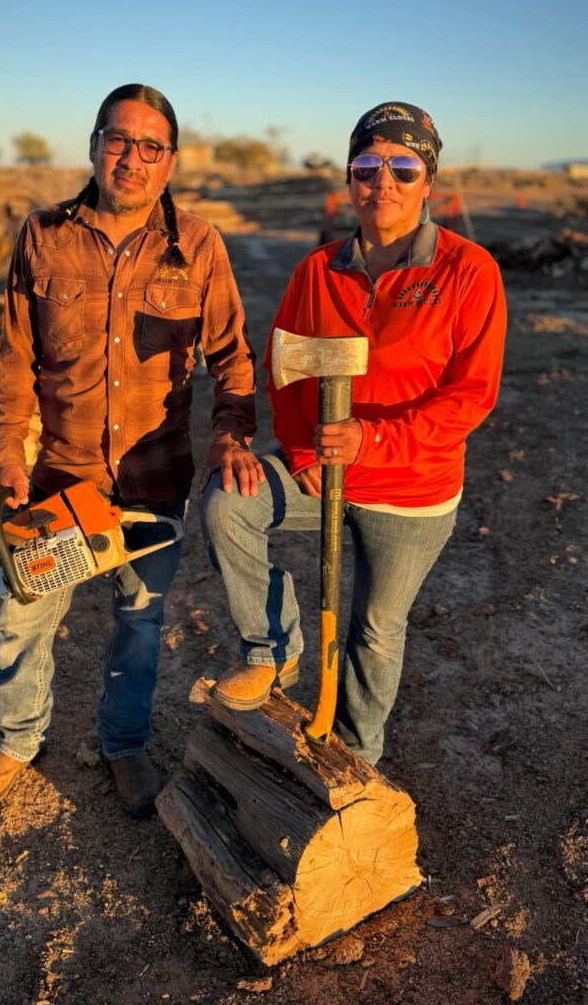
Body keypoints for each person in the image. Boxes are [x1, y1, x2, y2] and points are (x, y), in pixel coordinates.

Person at [0, 84, 264, 818]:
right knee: (25, 616)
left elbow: (234, 358)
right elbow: (15, 360)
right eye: (119, 140)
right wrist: (7, 454)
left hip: (155, 481)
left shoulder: (198, 246)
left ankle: (124, 742)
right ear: (94, 146)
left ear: (171, 161)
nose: (132, 158)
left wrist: (231, 433)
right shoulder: (44, 235)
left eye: (150, 146)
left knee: (141, 618)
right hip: (61, 476)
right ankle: (18, 738)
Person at [201, 102, 506, 766]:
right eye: (367, 166)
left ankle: (358, 757)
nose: (383, 182)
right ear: (349, 179)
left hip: (411, 491)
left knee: (373, 628)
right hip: (324, 476)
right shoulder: (318, 271)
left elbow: (473, 394)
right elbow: (282, 372)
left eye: (404, 166)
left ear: (429, 180)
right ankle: (272, 655)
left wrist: (374, 441)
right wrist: (305, 452)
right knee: (230, 502)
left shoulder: (468, 270)